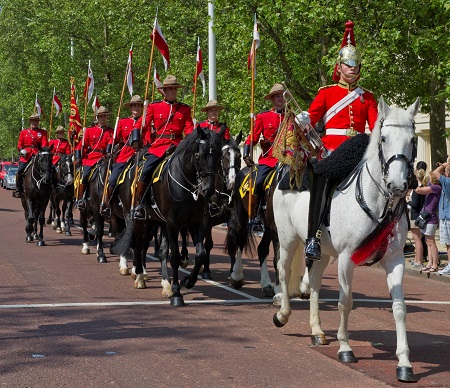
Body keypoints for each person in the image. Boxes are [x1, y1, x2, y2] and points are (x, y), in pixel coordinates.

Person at [304, 20, 378, 261]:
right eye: (349, 65)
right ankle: (313, 236)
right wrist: (304, 117)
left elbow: (375, 125)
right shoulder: (326, 93)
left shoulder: (367, 97)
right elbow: (312, 118)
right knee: (322, 180)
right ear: (340, 67)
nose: (354, 69)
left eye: (357, 65)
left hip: (359, 149)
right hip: (331, 149)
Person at [132, 75, 194, 219]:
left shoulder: (184, 109)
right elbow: (142, 124)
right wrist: (137, 138)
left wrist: (191, 141)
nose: (173, 92)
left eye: (175, 89)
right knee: (146, 170)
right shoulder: (154, 106)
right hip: (159, 146)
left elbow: (189, 128)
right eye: (170, 89)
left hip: (178, 146)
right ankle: (139, 204)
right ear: (164, 91)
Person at [243, 83, 286, 229]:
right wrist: (245, 153)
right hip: (269, 160)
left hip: (289, 159)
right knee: (258, 181)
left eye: (282, 95)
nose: (280, 98)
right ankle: (255, 216)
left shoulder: (292, 117)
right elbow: (252, 138)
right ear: (272, 99)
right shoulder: (263, 116)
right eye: (277, 96)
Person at [100, 95, 144, 217]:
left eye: (139, 105)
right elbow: (115, 138)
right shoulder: (123, 122)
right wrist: (109, 149)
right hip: (125, 155)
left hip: (141, 154)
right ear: (131, 107)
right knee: (112, 180)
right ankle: (109, 204)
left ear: (142, 107)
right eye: (134, 105)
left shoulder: (146, 121)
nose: (136, 107)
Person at [76, 106, 114, 210]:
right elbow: (80, 145)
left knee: (113, 176)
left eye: (104, 116)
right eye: (100, 116)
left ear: (107, 118)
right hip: (92, 159)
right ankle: (81, 198)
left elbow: (112, 143)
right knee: (85, 175)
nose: (102, 118)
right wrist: (79, 157)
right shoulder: (89, 130)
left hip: (105, 158)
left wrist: (108, 153)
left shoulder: (111, 131)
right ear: (97, 118)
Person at [13, 113, 49, 198]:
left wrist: (42, 151)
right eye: (33, 121)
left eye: (36, 121)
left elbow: (44, 144)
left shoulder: (43, 133)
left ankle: (51, 188)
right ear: (30, 122)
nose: (35, 123)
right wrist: (22, 150)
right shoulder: (23, 132)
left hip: (38, 154)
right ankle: (18, 189)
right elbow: (19, 145)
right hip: (26, 155)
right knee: (20, 171)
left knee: (49, 169)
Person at [415, 171, 442, 273]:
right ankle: (430, 263)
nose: (428, 179)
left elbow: (418, 190)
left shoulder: (436, 188)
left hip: (431, 218)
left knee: (431, 242)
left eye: (430, 178)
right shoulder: (432, 186)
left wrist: (417, 180)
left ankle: (435, 264)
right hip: (426, 218)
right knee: (427, 242)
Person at [407, 163, 428, 268]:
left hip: (415, 215)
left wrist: (408, 201)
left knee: (417, 239)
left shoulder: (417, 189)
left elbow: (415, 204)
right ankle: (417, 258)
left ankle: (419, 260)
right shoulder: (422, 187)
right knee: (417, 239)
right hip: (417, 215)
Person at [433, 162, 450, 275]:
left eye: (445, 172)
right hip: (445, 215)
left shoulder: (447, 182)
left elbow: (435, 173)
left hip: (447, 217)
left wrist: (444, 164)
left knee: (448, 243)